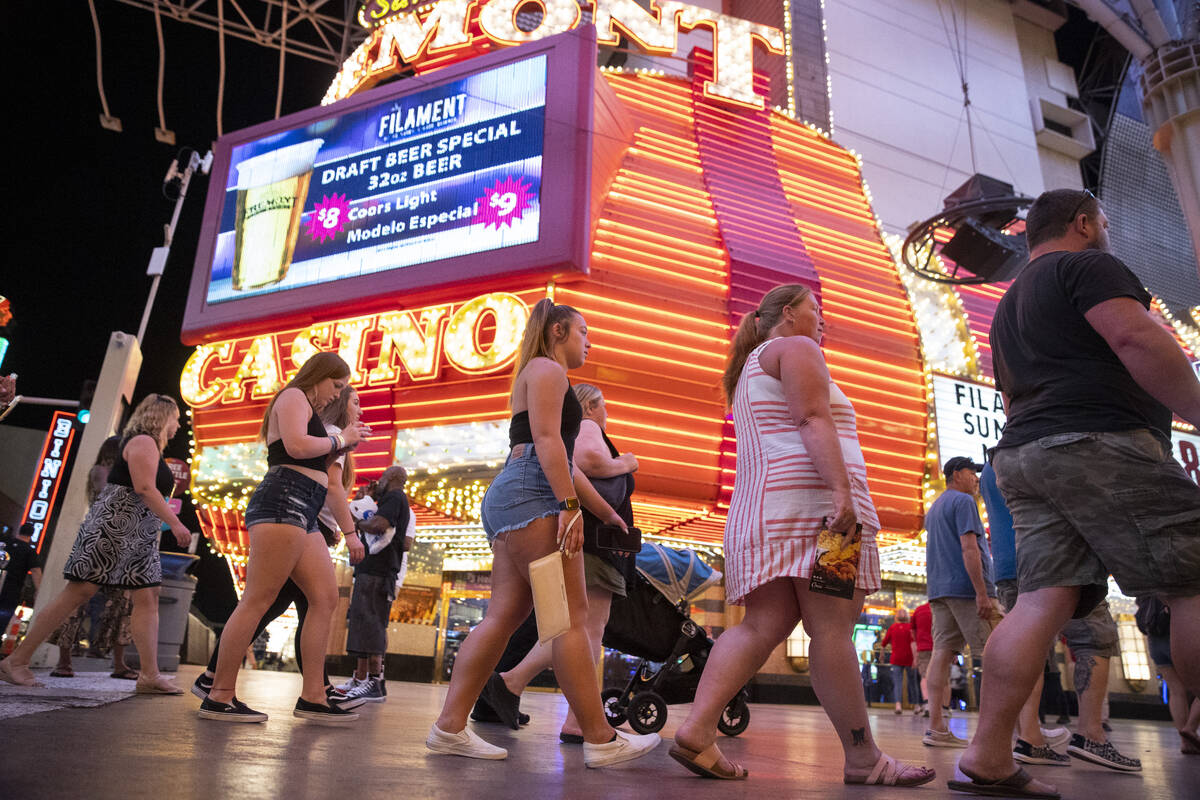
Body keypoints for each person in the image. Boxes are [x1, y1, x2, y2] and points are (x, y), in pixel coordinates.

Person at [953, 188, 1200, 799]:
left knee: (1041, 601)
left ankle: (987, 756)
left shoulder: (1007, 307)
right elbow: (1135, 339)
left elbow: (1009, 399)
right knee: (1193, 579)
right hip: (1102, 438)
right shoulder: (1088, 265)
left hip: (1022, 455)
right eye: (1105, 223)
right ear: (1084, 223)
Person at [668, 284, 934, 787]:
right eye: (816, 310)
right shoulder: (797, 348)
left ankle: (698, 730)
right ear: (788, 314)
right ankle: (863, 758)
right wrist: (842, 492)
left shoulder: (748, 369)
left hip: (763, 511)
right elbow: (812, 418)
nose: (822, 321)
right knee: (833, 627)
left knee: (759, 624)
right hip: (817, 509)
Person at [426, 298, 659, 767]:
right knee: (570, 619)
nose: (588, 343)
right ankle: (600, 738)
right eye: (583, 333)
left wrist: (605, 513)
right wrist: (570, 508)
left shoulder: (533, 372)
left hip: (512, 495)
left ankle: (449, 728)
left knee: (504, 615)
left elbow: (559, 458)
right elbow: (550, 445)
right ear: (557, 331)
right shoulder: (551, 372)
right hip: (534, 496)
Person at [198, 351, 369, 724]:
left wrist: (341, 440)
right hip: (283, 500)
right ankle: (219, 694)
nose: (336, 396)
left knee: (324, 598)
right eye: (336, 386)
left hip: (301, 508)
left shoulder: (304, 402)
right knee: (258, 600)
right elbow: (296, 446)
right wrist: (342, 439)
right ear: (320, 375)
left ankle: (313, 696)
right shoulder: (293, 396)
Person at [478, 382, 638, 741]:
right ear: (592, 406)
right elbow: (584, 462)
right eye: (605, 406)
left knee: (569, 626)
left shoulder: (563, 425)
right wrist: (626, 462)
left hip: (583, 534)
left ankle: (567, 713)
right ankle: (518, 685)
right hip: (595, 542)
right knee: (585, 629)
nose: (607, 413)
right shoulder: (587, 426)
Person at [0, 394, 191, 693]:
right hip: (115, 525)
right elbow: (143, 488)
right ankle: (17, 661)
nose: (178, 425)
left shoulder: (150, 446)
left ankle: (150, 675)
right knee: (80, 591)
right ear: (161, 416)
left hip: (137, 533)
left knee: (149, 595)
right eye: (176, 418)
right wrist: (177, 523)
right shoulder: (143, 442)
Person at [980, 462, 1069, 767]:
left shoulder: (990, 469)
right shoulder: (1025, 455)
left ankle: (1023, 733)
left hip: (1004, 564)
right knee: (1033, 651)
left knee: (1019, 642)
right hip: (1033, 561)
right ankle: (1030, 737)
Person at [922, 457, 998, 748]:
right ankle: (1002, 731)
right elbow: (970, 547)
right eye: (971, 473)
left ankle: (936, 728)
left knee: (941, 653)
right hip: (966, 589)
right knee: (995, 654)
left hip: (939, 590)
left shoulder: (936, 507)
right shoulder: (964, 503)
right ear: (956, 475)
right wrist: (982, 591)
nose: (976, 478)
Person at [338, 465, 413, 703]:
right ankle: (365, 680)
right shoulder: (389, 499)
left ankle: (374, 682)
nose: (378, 482)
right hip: (371, 570)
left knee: (371, 624)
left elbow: (379, 525)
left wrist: (359, 525)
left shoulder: (395, 497)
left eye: (381, 478)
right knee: (363, 624)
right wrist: (362, 502)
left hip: (379, 572)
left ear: (391, 478)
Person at [1139, 595, 1200, 754]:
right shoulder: (1181, 582)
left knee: (1176, 691)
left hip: (1155, 641)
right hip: (1180, 637)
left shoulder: (1149, 587)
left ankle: (1186, 742)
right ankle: (1190, 727)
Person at [0, 523, 42, 642]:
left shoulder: (5, 542)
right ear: (32, 535)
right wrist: (38, 589)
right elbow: (35, 570)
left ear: (19, 531)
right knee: (2, 619)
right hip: (11, 591)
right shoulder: (29, 551)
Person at [881, 608, 919, 714]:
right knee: (913, 683)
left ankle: (898, 705)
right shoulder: (910, 628)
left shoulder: (893, 627)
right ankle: (916, 706)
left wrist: (882, 654)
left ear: (896, 616)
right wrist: (916, 658)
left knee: (897, 682)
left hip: (896, 659)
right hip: (910, 659)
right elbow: (914, 644)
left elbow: (884, 642)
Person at [912, 601, 937, 716]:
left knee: (924, 676)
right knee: (943, 678)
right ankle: (943, 708)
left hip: (923, 648)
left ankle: (927, 704)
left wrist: (918, 643)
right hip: (940, 647)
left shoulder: (919, 610)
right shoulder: (940, 608)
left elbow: (912, 631)